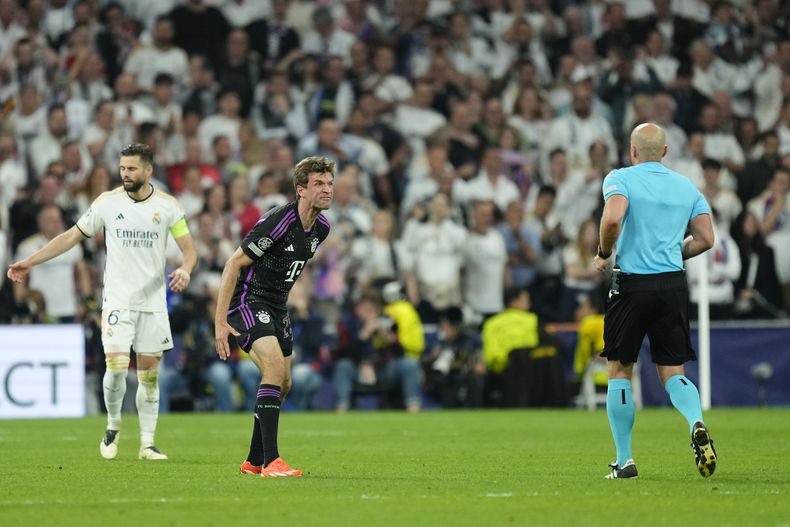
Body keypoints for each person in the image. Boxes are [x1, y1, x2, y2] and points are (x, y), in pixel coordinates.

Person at [7, 143, 197, 461]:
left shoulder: (168, 206)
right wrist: (31, 261)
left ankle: (147, 444)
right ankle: (113, 424)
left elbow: (189, 249)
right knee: (118, 369)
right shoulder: (107, 203)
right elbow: (70, 236)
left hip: (152, 302)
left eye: (132, 168)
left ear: (148, 171)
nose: (125, 174)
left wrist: (185, 269)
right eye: (122, 168)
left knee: (149, 376)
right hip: (118, 300)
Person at [593, 123, 717, 479]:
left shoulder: (621, 178)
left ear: (632, 151)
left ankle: (624, 459)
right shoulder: (685, 186)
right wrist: (673, 254)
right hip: (672, 286)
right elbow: (706, 238)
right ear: (665, 152)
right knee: (673, 372)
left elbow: (613, 217)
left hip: (631, 285)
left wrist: (603, 252)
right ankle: (695, 420)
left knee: (619, 370)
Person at [214, 156, 334, 478]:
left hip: (278, 306)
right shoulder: (279, 222)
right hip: (248, 300)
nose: (327, 190)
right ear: (300, 190)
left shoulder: (321, 228)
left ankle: (253, 460)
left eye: (330, 183)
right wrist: (220, 323)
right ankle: (271, 462)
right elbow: (233, 264)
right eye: (319, 184)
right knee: (273, 368)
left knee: (284, 383)